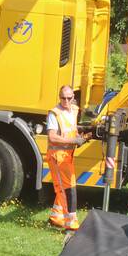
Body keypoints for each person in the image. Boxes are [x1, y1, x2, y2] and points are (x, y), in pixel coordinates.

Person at [47, 85, 87, 231]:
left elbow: (72, 128)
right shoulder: (54, 114)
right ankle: (71, 224)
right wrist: (73, 141)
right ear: (59, 97)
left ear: (73, 98)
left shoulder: (75, 110)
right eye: (63, 98)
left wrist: (79, 137)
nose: (66, 101)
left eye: (69, 98)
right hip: (57, 157)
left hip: (68, 156)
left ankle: (56, 217)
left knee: (64, 188)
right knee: (68, 189)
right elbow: (52, 137)